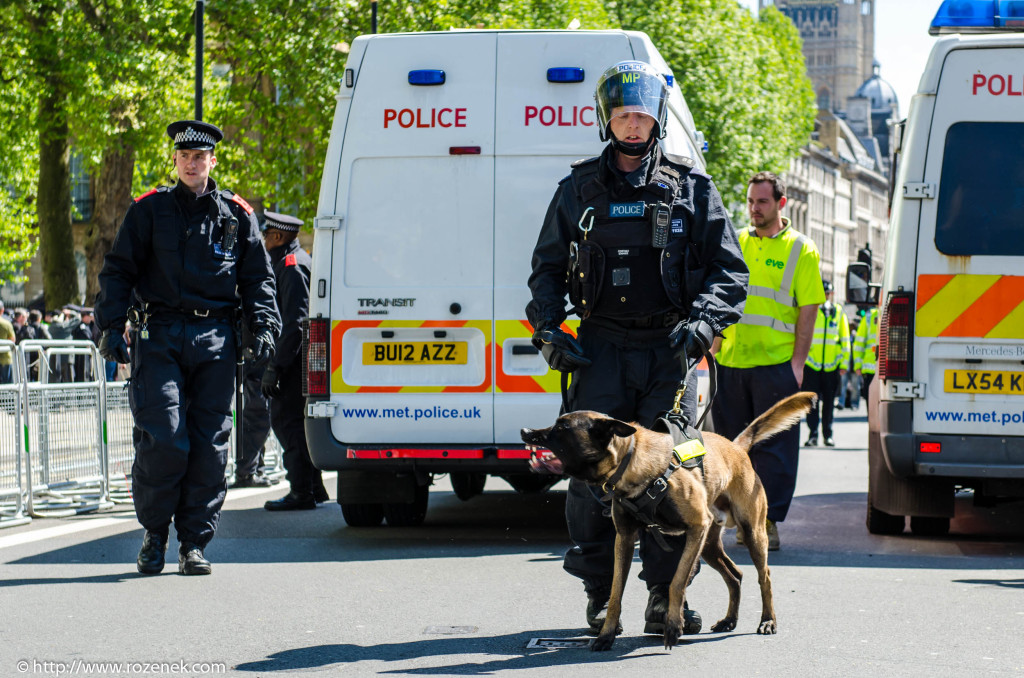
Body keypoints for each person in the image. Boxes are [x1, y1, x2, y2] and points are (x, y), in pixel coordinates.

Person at [526, 61, 748, 637]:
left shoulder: (691, 189)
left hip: (668, 349)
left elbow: (730, 274)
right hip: (599, 349)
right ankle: (602, 594)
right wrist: (550, 331)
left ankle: (663, 595)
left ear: (656, 121)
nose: (632, 125)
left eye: (642, 115)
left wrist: (701, 327)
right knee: (589, 475)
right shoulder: (577, 190)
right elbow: (546, 270)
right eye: (623, 114)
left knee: (674, 474)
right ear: (607, 119)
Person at [95, 119, 280, 576]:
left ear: (212, 161)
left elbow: (258, 279)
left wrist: (264, 327)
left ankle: (193, 543)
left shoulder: (237, 214)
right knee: (164, 436)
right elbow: (118, 271)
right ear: (175, 161)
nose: (192, 163)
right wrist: (110, 326)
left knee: (209, 444)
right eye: (185, 157)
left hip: (216, 340)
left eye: (201, 157)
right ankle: (156, 534)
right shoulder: (148, 210)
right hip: (160, 336)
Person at [710, 171, 825, 552]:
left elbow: (808, 308)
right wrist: (713, 348)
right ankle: (738, 519)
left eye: (761, 202)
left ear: (781, 204)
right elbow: (722, 298)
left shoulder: (801, 248)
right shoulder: (737, 241)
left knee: (774, 450)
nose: (754, 209)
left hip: (775, 365)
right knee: (731, 448)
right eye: (750, 202)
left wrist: (798, 363)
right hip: (731, 362)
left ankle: (767, 522)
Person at [260, 211, 328, 511]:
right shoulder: (296, 261)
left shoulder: (291, 267)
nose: (262, 241)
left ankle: (302, 491)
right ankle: (313, 487)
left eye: (266, 235)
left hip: (295, 362)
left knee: (287, 423)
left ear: (277, 237)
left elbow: (295, 323)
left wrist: (276, 366)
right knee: (298, 424)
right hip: (301, 361)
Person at [803, 280, 850, 447]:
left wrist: (844, 364)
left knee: (829, 403)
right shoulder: (812, 311)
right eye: (823, 293)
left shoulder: (838, 313)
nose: (825, 296)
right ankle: (812, 435)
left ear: (832, 295)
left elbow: (845, 340)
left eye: (828, 293)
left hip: (831, 367)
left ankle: (827, 435)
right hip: (812, 365)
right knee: (812, 403)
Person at [853, 306, 879, 403]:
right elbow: (859, 344)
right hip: (870, 369)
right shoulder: (869, 317)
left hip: (874, 369)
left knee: (872, 403)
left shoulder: (869, 316)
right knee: (872, 402)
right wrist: (858, 365)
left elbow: (858, 344)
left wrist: (858, 365)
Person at [0, 300, 14, 384]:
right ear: (2, 310)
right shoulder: (6, 324)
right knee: (7, 389)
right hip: (5, 359)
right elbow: (12, 340)